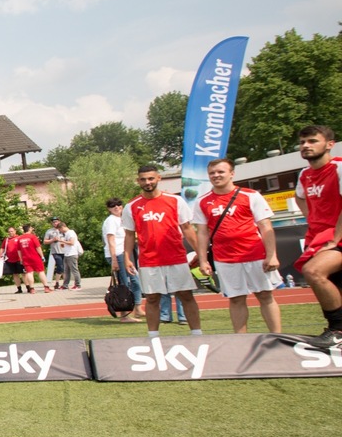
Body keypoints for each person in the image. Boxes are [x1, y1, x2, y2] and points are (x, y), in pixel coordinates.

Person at [192, 158, 281, 333]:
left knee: (265, 295)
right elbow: (202, 233)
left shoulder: (250, 195)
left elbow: (265, 226)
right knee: (236, 299)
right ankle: (241, 340)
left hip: (255, 254)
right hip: (225, 259)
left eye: (220, 172)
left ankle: (277, 337)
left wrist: (272, 255)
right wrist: (203, 260)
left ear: (232, 173)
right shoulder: (202, 202)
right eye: (212, 173)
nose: (216, 176)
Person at [122, 164, 203, 337]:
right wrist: (127, 258)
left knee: (186, 295)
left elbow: (188, 229)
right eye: (143, 179)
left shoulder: (175, 200)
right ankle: (153, 337)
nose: (147, 182)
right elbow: (129, 235)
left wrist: (201, 254)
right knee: (152, 298)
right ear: (138, 181)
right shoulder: (132, 206)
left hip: (176, 258)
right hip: (149, 261)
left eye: (151, 178)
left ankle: (197, 334)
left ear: (158, 178)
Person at [292, 125, 342, 348]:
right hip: (320, 236)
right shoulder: (304, 174)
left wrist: (333, 239)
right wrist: (311, 220)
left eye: (312, 141)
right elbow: (299, 197)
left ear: (329, 144)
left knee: (314, 271)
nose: (306, 146)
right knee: (333, 282)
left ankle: (337, 330)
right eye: (303, 142)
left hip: (336, 236)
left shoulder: (339, 168)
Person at [102, 198, 145, 322]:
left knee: (135, 281)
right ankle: (124, 315)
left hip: (125, 253)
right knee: (123, 284)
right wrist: (114, 260)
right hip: (117, 254)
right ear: (109, 209)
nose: (116, 207)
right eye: (112, 205)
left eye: (118, 204)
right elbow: (111, 241)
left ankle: (137, 308)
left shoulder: (124, 219)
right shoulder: (111, 221)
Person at [17, 224, 52, 294]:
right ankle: (46, 287)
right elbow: (38, 247)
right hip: (35, 257)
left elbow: (19, 250)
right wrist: (42, 256)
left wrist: (21, 259)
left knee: (29, 273)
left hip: (25, 258)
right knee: (41, 272)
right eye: (31, 228)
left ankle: (32, 289)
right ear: (29, 229)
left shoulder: (20, 238)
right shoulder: (33, 237)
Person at [55, 221, 82, 289]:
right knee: (66, 271)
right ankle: (65, 285)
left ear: (62, 227)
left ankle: (78, 284)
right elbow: (67, 244)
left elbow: (72, 242)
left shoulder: (71, 233)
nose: (60, 231)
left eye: (60, 229)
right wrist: (63, 244)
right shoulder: (66, 234)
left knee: (74, 270)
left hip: (72, 253)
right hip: (67, 254)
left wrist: (62, 241)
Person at [0, 226, 25, 293]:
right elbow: (2, 248)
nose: (11, 233)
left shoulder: (19, 238)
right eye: (9, 231)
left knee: (23, 273)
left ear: (15, 231)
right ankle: (19, 288)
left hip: (19, 259)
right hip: (10, 259)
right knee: (15, 274)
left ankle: (28, 287)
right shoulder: (7, 239)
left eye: (12, 231)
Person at [42, 218, 65, 285]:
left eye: (57, 222)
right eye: (54, 222)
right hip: (55, 251)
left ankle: (65, 282)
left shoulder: (63, 229)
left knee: (65, 267)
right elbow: (45, 241)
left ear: (59, 222)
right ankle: (57, 282)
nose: (55, 223)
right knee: (60, 266)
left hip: (65, 251)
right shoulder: (49, 231)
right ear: (52, 223)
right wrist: (52, 240)